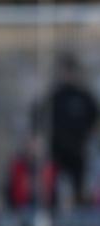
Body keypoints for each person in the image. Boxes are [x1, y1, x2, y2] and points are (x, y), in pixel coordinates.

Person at [32, 53, 98, 207]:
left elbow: (95, 117)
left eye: (70, 71)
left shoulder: (84, 97)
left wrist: (91, 136)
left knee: (79, 188)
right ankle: (51, 211)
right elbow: (38, 115)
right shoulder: (55, 96)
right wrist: (38, 138)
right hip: (57, 150)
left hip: (78, 150)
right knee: (52, 187)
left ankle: (79, 212)